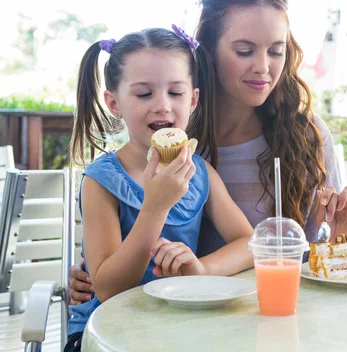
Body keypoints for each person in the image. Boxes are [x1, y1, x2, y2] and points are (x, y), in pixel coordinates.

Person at [68, 0, 347, 303]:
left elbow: (307, 255)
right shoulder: (176, 136)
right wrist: (92, 274)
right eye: (244, 51)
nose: (263, 67)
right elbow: (112, 272)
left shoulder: (305, 137)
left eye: (276, 51)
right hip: (191, 317)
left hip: (279, 306)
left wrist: (343, 238)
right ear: (208, 52)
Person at [65, 26, 253, 352]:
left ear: (193, 99)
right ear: (114, 102)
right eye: (143, 94)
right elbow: (108, 288)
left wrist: (200, 269)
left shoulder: (198, 172)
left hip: (176, 327)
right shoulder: (101, 181)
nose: (163, 106)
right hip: (107, 334)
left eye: (175, 93)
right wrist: (156, 206)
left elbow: (250, 242)